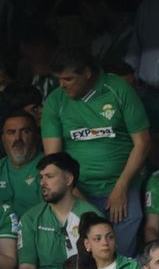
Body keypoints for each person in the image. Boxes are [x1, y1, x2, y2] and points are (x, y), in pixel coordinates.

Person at [41, 51, 151, 254]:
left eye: (68, 79)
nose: (62, 85)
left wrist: (122, 186)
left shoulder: (118, 89)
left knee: (121, 257)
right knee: (83, 260)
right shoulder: (56, 101)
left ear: (88, 73)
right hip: (75, 191)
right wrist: (77, 198)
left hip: (122, 188)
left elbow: (142, 143)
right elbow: (54, 161)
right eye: (59, 79)